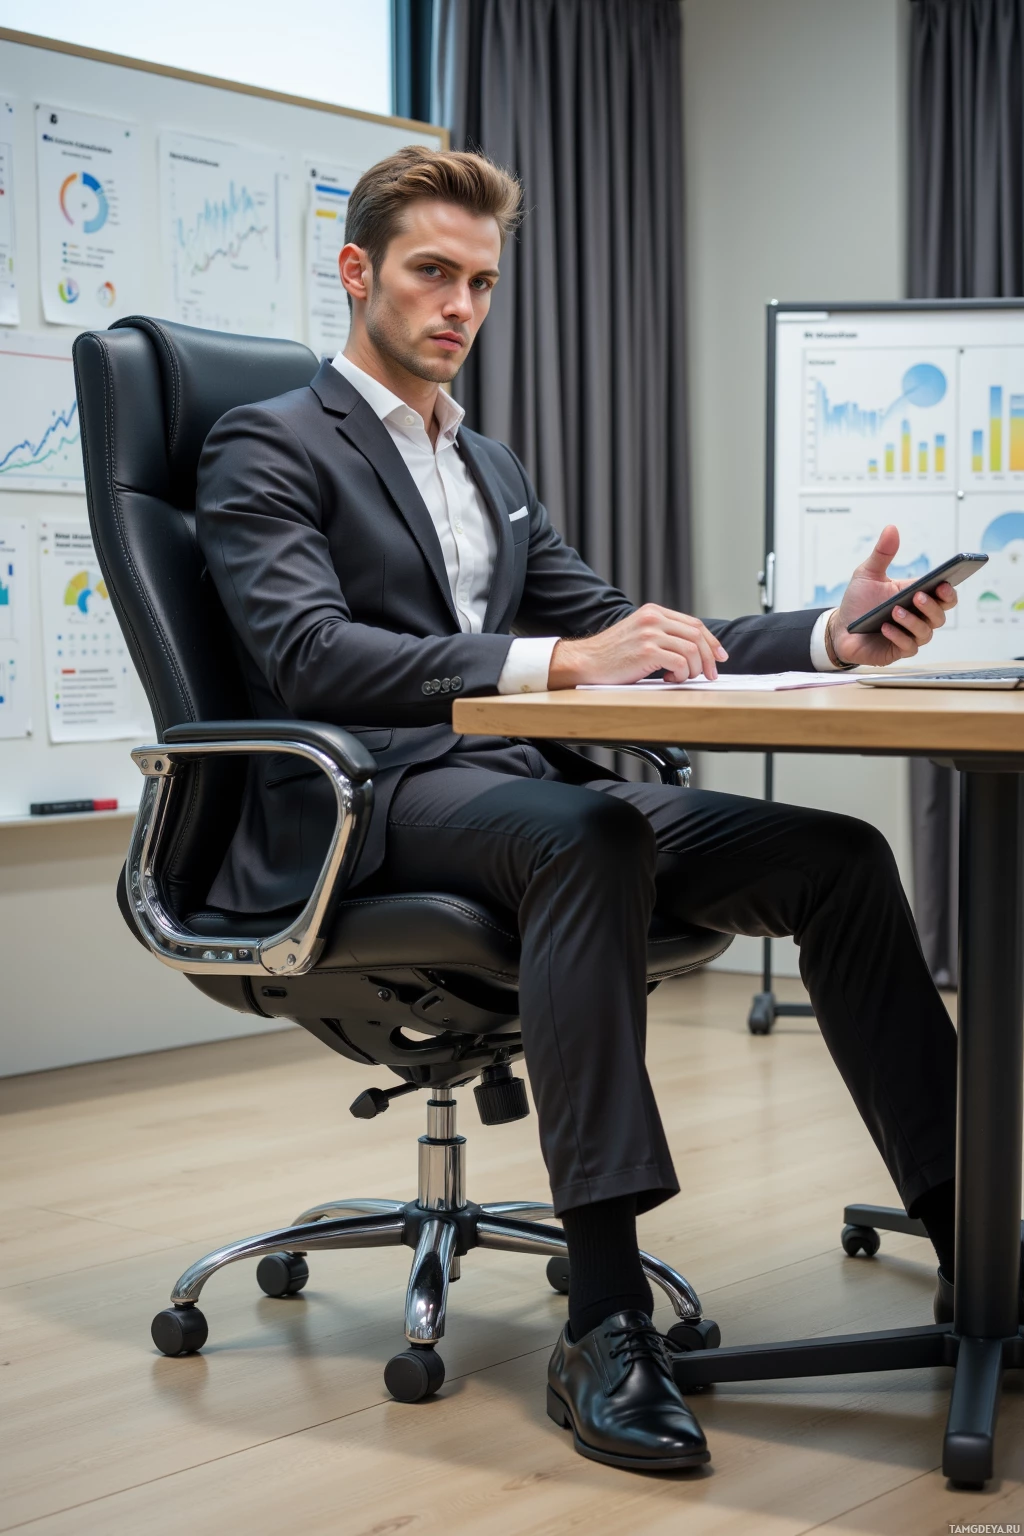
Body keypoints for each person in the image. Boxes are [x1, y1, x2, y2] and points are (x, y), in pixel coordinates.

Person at [197, 146, 960, 1474]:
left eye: (482, 284)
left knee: (836, 855)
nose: (460, 306)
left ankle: (973, 1243)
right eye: (433, 273)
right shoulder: (265, 440)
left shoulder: (489, 467)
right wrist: (556, 667)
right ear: (357, 272)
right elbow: (305, 654)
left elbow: (634, 634)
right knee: (595, 833)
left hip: (524, 795)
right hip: (372, 804)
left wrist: (833, 639)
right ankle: (603, 1319)